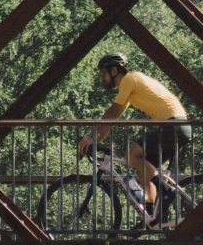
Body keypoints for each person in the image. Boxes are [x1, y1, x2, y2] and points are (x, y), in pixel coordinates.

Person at [77, 53, 192, 222]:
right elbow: (112, 119)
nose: (102, 79)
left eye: (103, 73)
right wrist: (97, 140)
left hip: (173, 126)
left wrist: (92, 137)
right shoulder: (130, 89)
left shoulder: (129, 80)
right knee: (144, 169)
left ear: (114, 70)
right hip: (178, 127)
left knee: (131, 155)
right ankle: (154, 215)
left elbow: (111, 112)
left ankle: (166, 192)